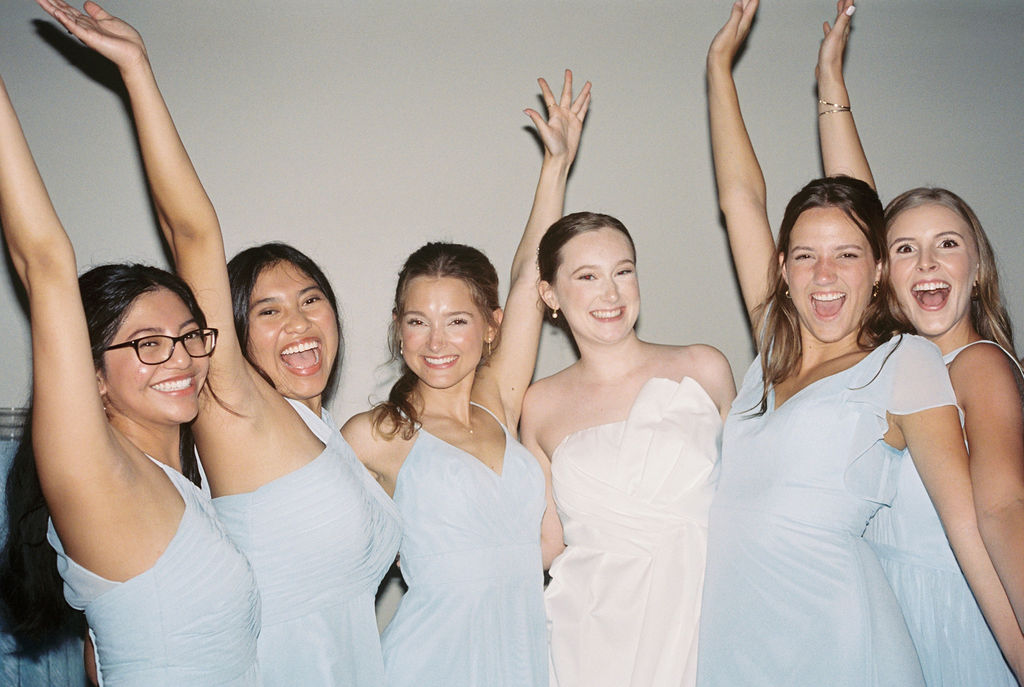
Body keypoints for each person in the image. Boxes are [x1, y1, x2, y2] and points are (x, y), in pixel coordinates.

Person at [35, 2, 402, 685]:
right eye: (267, 310)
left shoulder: (305, 438)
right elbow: (188, 235)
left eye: (311, 298)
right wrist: (137, 70)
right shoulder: (233, 404)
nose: (297, 321)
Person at [697, 1, 1024, 684]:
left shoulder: (902, 364)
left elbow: (976, 525)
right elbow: (740, 200)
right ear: (782, 271)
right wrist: (718, 72)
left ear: (876, 270)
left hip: (846, 648)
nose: (825, 273)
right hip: (740, 644)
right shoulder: (769, 355)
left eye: (848, 255)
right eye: (805, 256)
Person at [0, 67, 259, 685]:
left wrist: (138, 67)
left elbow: (195, 235)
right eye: (147, 344)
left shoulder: (181, 483)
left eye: (191, 335)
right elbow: (43, 260)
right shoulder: (98, 478)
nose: (183, 358)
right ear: (92, 377)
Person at [342, 71, 589, 687]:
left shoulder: (498, 405)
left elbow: (533, 273)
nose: (436, 341)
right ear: (399, 330)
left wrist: (555, 166)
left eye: (457, 320)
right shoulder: (375, 434)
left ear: (490, 327)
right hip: (427, 664)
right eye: (418, 321)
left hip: (522, 657)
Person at [816, 2, 1024, 682]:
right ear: (883, 272)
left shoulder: (980, 365)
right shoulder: (895, 367)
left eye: (947, 245)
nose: (927, 262)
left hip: (961, 628)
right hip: (884, 626)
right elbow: (857, 213)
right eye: (906, 249)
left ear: (976, 266)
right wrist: (832, 90)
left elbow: (1003, 509)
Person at [520, 208, 734, 687]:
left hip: (705, 614)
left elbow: (748, 501)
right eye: (587, 276)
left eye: (623, 271)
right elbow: (548, 544)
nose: (610, 293)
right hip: (591, 634)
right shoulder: (539, 405)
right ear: (550, 294)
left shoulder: (704, 368)